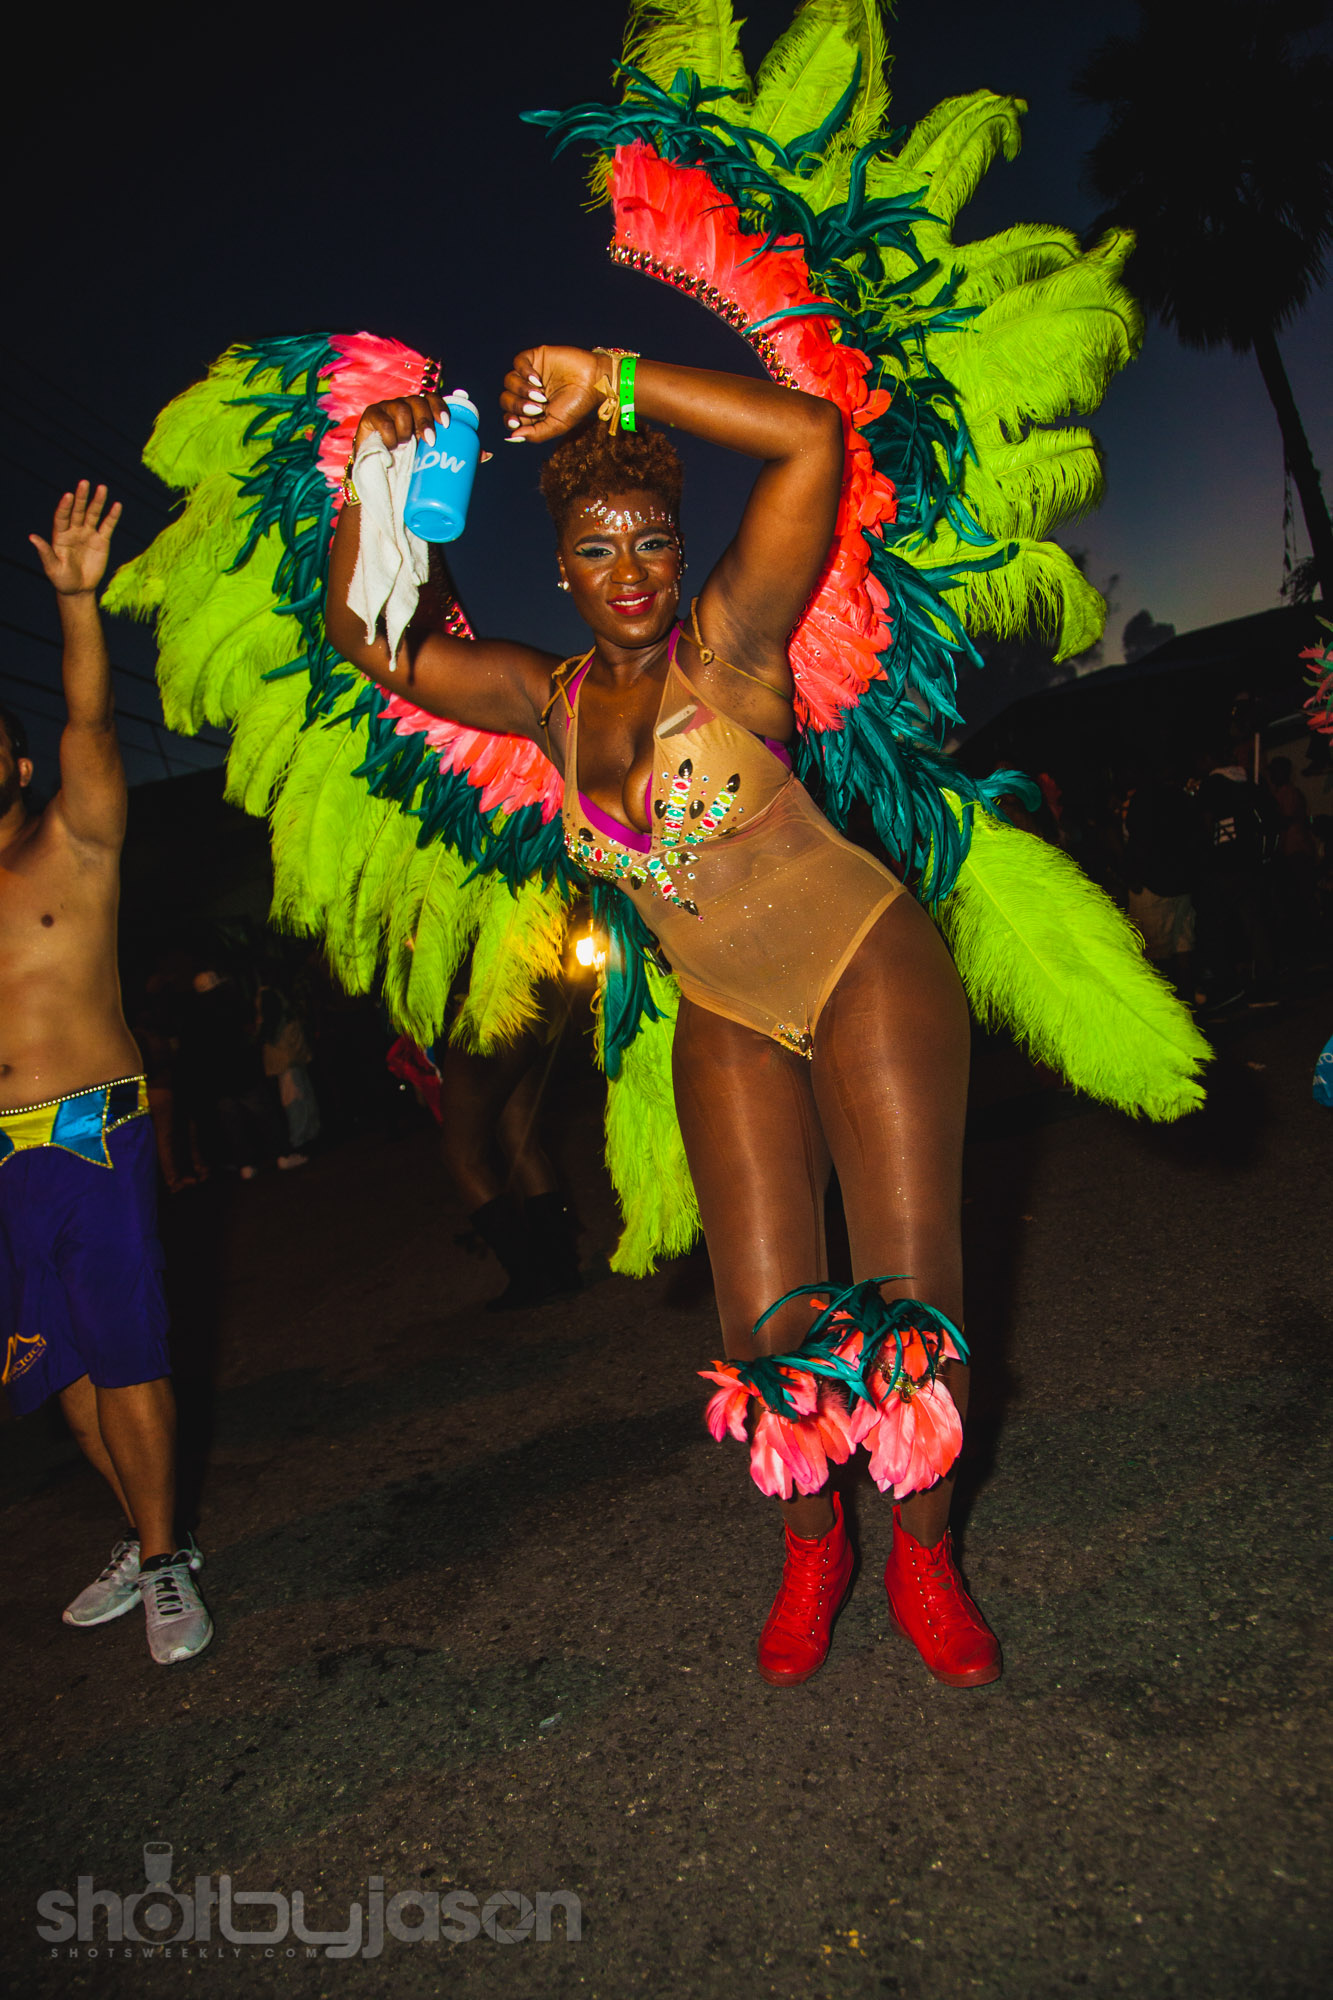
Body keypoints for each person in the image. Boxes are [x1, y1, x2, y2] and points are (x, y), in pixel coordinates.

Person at [324, 351, 999, 1689]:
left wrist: (613, 382)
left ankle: (925, 1557)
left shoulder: (729, 640)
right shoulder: (544, 699)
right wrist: (370, 477)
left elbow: (809, 438)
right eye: (596, 548)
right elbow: (370, 639)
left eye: (650, 542)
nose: (628, 570)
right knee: (762, 1324)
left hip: (864, 965)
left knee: (910, 1300)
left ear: (682, 554)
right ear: (560, 572)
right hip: (725, 1006)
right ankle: (815, 1549)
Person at [0, 484, 211, 1665]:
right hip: (1, 1165)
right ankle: (142, 1530)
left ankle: (169, 1557)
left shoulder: (74, 837)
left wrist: (77, 601)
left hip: (91, 1134)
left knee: (127, 1352)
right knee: (60, 1370)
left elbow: (90, 719)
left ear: (17, 758)